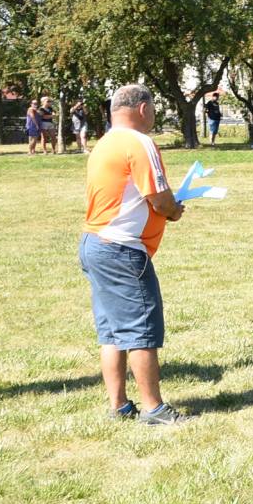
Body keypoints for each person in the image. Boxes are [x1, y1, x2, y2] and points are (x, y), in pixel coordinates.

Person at [80, 84, 190, 426]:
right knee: (141, 327)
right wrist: (173, 211)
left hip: (95, 242)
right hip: (122, 249)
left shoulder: (105, 142)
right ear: (142, 108)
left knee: (112, 331)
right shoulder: (139, 143)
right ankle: (154, 408)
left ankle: (119, 405)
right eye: (154, 108)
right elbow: (158, 197)